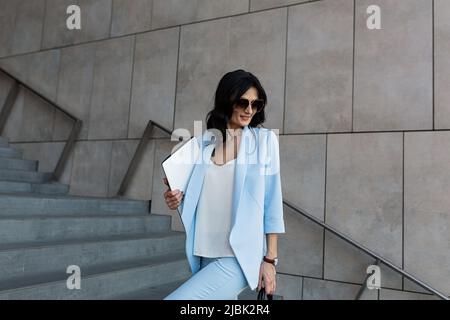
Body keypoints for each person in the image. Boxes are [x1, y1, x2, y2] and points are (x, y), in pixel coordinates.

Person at [162, 69, 285, 300]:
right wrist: (175, 197)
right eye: (243, 102)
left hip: (238, 257)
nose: (250, 110)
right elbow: (194, 195)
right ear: (227, 100)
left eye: (256, 104)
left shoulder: (265, 142)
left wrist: (270, 259)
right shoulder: (203, 144)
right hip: (203, 251)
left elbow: (272, 203)